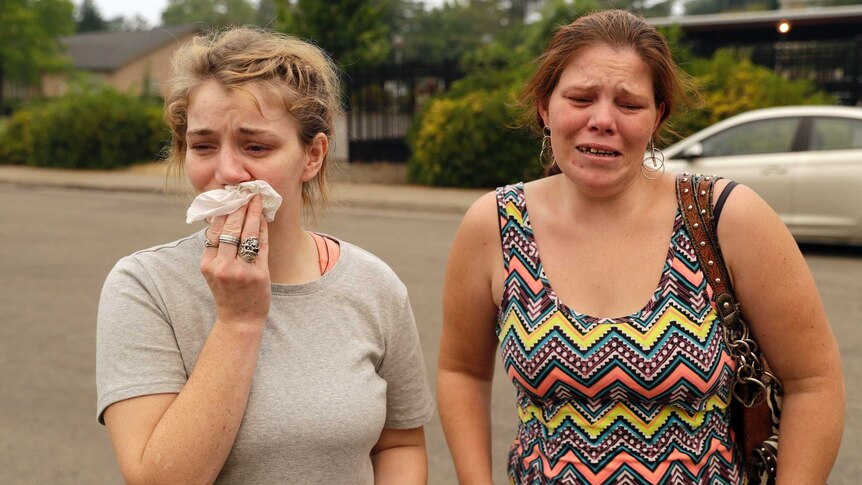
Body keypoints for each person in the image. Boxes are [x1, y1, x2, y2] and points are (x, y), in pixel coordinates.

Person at [437, 9, 844, 484]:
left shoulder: (725, 217)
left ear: (657, 117)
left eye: (629, 105)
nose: (602, 120)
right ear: (546, 107)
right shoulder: (495, 224)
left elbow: (813, 383)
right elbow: (461, 371)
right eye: (581, 98)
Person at [96, 27, 434, 484]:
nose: (227, 171)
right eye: (203, 145)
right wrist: (239, 320)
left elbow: (400, 443)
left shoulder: (374, 286)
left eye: (256, 146)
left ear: (312, 156)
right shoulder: (144, 286)